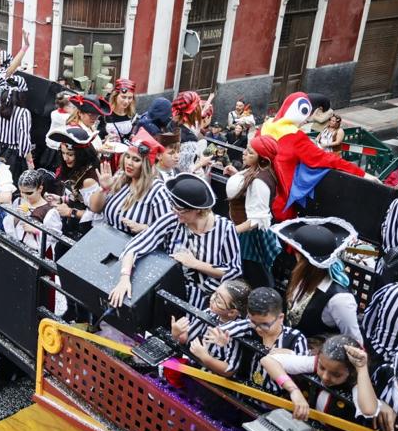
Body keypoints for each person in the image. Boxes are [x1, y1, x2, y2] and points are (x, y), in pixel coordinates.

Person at [109, 173, 242, 310]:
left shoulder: (225, 229)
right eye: (173, 206)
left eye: (180, 210)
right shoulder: (172, 220)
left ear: (197, 210)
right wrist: (124, 278)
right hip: (172, 293)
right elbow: (134, 246)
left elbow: (233, 270)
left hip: (207, 302)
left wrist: (196, 264)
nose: (174, 212)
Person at [223, 132, 281, 288]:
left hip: (248, 235)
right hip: (244, 231)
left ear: (262, 157)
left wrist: (230, 232)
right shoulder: (258, 170)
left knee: (254, 275)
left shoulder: (259, 182)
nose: (244, 153)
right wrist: (237, 175)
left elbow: (257, 220)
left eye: (250, 152)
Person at [90, 132, 174, 235]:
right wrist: (103, 189)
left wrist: (146, 228)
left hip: (133, 247)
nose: (129, 163)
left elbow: (169, 228)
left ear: (146, 165)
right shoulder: (121, 177)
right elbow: (95, 208)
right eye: (127, 157)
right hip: (106, 241)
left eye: (136, 160)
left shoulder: (158, 190)